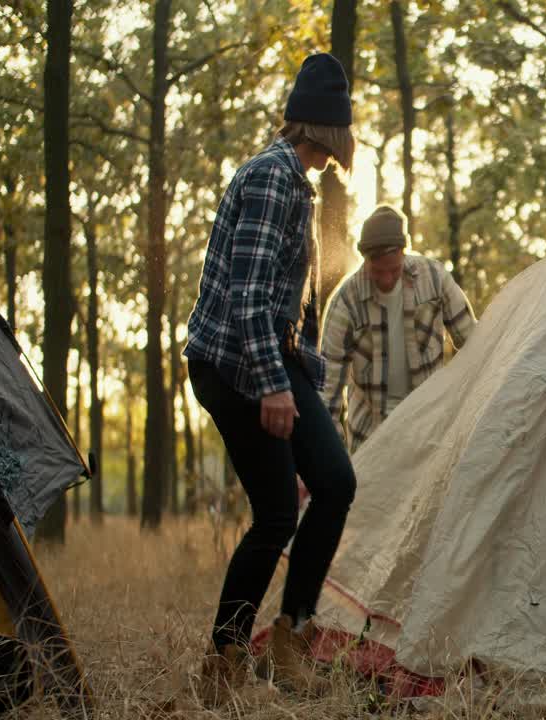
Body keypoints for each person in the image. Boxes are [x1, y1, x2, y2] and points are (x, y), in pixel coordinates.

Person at [184, 53, 357, 703]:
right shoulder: (271, 178)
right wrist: (275, 387)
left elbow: (286, 307)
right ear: (332, 128)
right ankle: (224, 660)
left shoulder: (294, 180)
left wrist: (301, 377)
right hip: (231, 365)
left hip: (268, 358)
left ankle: (291, 636)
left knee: (335, 482)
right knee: (279, 512)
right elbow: (249, 297)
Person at [321, 205, 476, 451]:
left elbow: (474, 343)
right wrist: (331, 459)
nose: (386, 279)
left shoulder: (434, 278)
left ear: (405, 253)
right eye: (377, 271)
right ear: (364, 259)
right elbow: (328, 392)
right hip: (371, 438)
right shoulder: (345, 303)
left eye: (393, 270)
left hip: (430, 430)